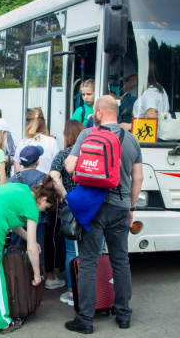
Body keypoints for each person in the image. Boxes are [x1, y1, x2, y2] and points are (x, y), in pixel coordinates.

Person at [64, 95, 144, 334]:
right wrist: (131, 208)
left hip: (93, 206)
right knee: (120, 261)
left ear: (98, 112)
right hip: (120, 207)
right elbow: (138, 179)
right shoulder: (131, 140)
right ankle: (123, 315)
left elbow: (69, 166)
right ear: (116, 112)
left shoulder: (87, 135)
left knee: (88, 262)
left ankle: (85, 320)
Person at [0, 178, 60, 333]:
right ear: (42, 200)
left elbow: (11, 220)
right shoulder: (32, 207)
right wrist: (37, 275)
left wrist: (31, 240)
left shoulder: (21, 188)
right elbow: (32, 250)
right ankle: (1, 321)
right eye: (45, 207)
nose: (42, 211)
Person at [8, 145, 63, 288]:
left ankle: (18, 282)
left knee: (17, 251)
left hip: (16, 222)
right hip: (37, 222)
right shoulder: (42, 177)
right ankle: (36, 283)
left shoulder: (14, 177)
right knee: (36, 251)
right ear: (37, 161)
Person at [49, 119, 85, 306]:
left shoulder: (63, 154)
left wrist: (64, 194)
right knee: (92, 249)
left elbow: (53, 175)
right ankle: (89, 289)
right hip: (93, 205)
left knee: (71, 250)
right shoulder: (89, 152)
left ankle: (72, 292)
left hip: (70, 206)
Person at [13, 107, 60, 174]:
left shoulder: (22, 143)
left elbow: (17, 172)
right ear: (43, 122)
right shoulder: (52, 142)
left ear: (27, 122)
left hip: (25, 183)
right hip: (45, 183)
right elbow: (57, 168)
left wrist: (23, 183)